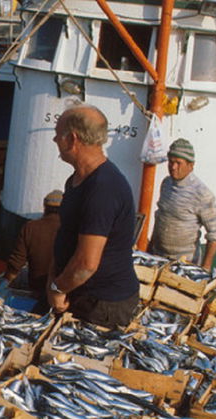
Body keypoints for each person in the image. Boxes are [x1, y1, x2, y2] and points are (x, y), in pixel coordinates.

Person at [46, 104, 139, 329]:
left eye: (58, 135)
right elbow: (66, 234)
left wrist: (58, 289)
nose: (55, 141)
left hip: (102, 305)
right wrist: (53, 279)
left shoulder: (103, 188)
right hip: (77, 293)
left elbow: (87, 263)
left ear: (73, 139)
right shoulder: (77, 180)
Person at [149, 138, 216, 270]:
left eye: (178, 163)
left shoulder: (202, 194)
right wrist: (150, 247)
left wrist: (205, 268)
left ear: (191, 165)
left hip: (184, 263)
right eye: (171, 162)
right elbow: (160, 216)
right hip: (158, 256)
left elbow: (214, 234)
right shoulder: (166, 184)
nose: (173, 167)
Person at [3, 190, 63, 313]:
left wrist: (4, 284)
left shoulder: (30, 227)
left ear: (45, 208)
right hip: (61, 294)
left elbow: (16, 263)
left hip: (37, 289)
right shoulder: (72, 230)